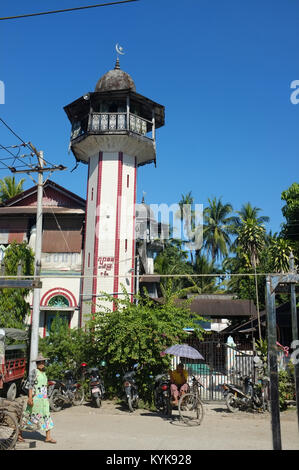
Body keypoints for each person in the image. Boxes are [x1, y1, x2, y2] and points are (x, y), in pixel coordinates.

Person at [18, 353, 56, 444]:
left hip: (44, 400)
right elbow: (30, 386)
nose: (41, 363)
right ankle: (19, 434)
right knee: (27, 416)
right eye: (39, 362)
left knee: (47, 416)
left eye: (43, 362)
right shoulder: (34, 372)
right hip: (35, 399)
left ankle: (48, 437)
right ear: (37, 363)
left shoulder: (44, 373)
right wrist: (30, 398)